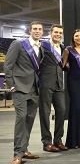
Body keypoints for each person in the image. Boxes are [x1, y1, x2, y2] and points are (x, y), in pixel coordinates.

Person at [4, 21, 44, 164]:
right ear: (29, 31)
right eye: (35, 29)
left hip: (34, 89)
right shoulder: (18, 44)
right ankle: (17, 154)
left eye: (40, 29)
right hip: (20, 88)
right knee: (21, 120)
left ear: (42, 32)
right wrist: (11, 86)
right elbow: (8, 65)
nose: (37, 31)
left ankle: (24, 149)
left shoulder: (41, 47)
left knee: (29, 121)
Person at [39, 24, 68, 152]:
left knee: (61, 111)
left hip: (59, 84)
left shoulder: (63, 48)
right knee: (45, 113)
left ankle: (58, 140)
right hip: (45, 84)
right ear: (51, 33)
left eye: (60, 33)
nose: (58, 34)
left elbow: (64, 65)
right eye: (56, 32)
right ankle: (46, 142)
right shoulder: (43, 46)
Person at [63, 29, 80, 148]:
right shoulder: (68, 50)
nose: (79, 38)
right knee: (76, 108)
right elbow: (63, 64)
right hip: (73, 82)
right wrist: (70, 67)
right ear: (73, 38)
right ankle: (73, 141)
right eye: (76, 36)